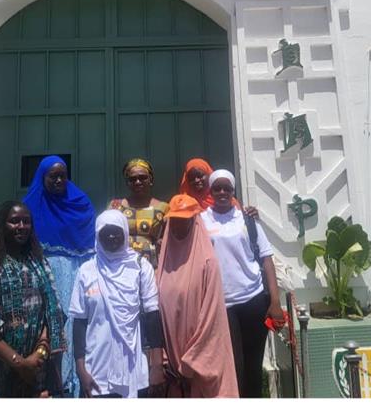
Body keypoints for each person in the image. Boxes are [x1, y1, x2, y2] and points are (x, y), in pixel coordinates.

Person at [0, 200, 65, 398]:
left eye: (26, 222)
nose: (22, 227)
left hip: (34, 369)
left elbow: (50, 310)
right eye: (14, 221)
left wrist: (39, 353)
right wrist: (19, 363)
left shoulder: (38, 263)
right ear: (1, 225)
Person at [200, 169, 285, 398]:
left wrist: (275, 301)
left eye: (227, 188)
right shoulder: (201, 220)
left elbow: (266, 259)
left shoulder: (247, 219)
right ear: (210, 190)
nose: (222, 192)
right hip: (221, 305)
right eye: (217, 187)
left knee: (253, 364)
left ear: (233, 191)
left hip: (253, 299)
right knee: (231, 366)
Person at [69, 210, 165, 398]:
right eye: (106, 232)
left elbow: (152, 316)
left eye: (116, 231)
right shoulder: (87, 271)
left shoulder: (139, 267)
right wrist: (81, 371)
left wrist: (157, 366)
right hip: (96, 369)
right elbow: (79, 323)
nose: (111, 236)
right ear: (98, 235)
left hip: (135, 368)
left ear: (125, 233)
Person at [23, 155, 96, 397]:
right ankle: (55, 384)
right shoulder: (30, 207)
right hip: (45, 276)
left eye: (62, 175)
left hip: (78, 273)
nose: (57, 180)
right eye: (52, 176)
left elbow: (91, 241)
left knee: (77, 321)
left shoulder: (80, 203)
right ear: (42, 177)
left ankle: (79, 380)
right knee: (48, 325)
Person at [156, 194, 239, 398]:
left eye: (184, 220)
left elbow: (212, 320)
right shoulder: (164, 261)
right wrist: (165, 361)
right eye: (174, 220)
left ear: (195, 221)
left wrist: (190, 365)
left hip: (199, 365)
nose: (178, 225)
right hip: (173, 368)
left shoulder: (207, 262)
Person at [107, 158, 168, 268]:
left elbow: (168, 238)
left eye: (143, 178)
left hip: (151, 266)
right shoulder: (115, 206)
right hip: (120, 266)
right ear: (127, 183)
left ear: (151, 179)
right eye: (132, 179)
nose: (138, 182)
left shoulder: (163, 208)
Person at [179, 157, 258, 218]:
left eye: (200, 176)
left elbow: (240, 222)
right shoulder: (183, 202)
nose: (196, 180)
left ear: (209, 175)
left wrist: (249, 215)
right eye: (192, 178)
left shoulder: (226, 199)